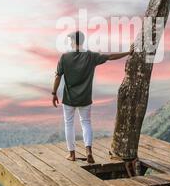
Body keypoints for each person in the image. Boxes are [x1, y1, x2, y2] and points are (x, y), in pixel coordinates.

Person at [52, 30, 134, 163]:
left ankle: (72, 154)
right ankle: (88, 151)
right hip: (85, 98)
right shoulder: (90, 56)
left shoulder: (64, 57)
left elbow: (57, 76)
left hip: (69, 99)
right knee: (86, 123)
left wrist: (54, 93)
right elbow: (110, 57)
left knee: (69, 124)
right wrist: (127, 53)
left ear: (73, 41)